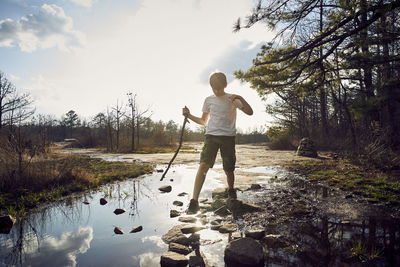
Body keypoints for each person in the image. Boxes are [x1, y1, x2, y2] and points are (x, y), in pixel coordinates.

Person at [183, 72, 253, 214]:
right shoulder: (208, 100)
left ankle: (231, 189)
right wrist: (188, 115)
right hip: (211, 136)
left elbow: (250, 112)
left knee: (228, 169)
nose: (216, 91)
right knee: (203, 165)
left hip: (228, 137)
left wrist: (240, 97)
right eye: (213, 88)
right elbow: (203, 122)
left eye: (219, 88)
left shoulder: (232, 99)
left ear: (225, 85)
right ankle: (194, 201)